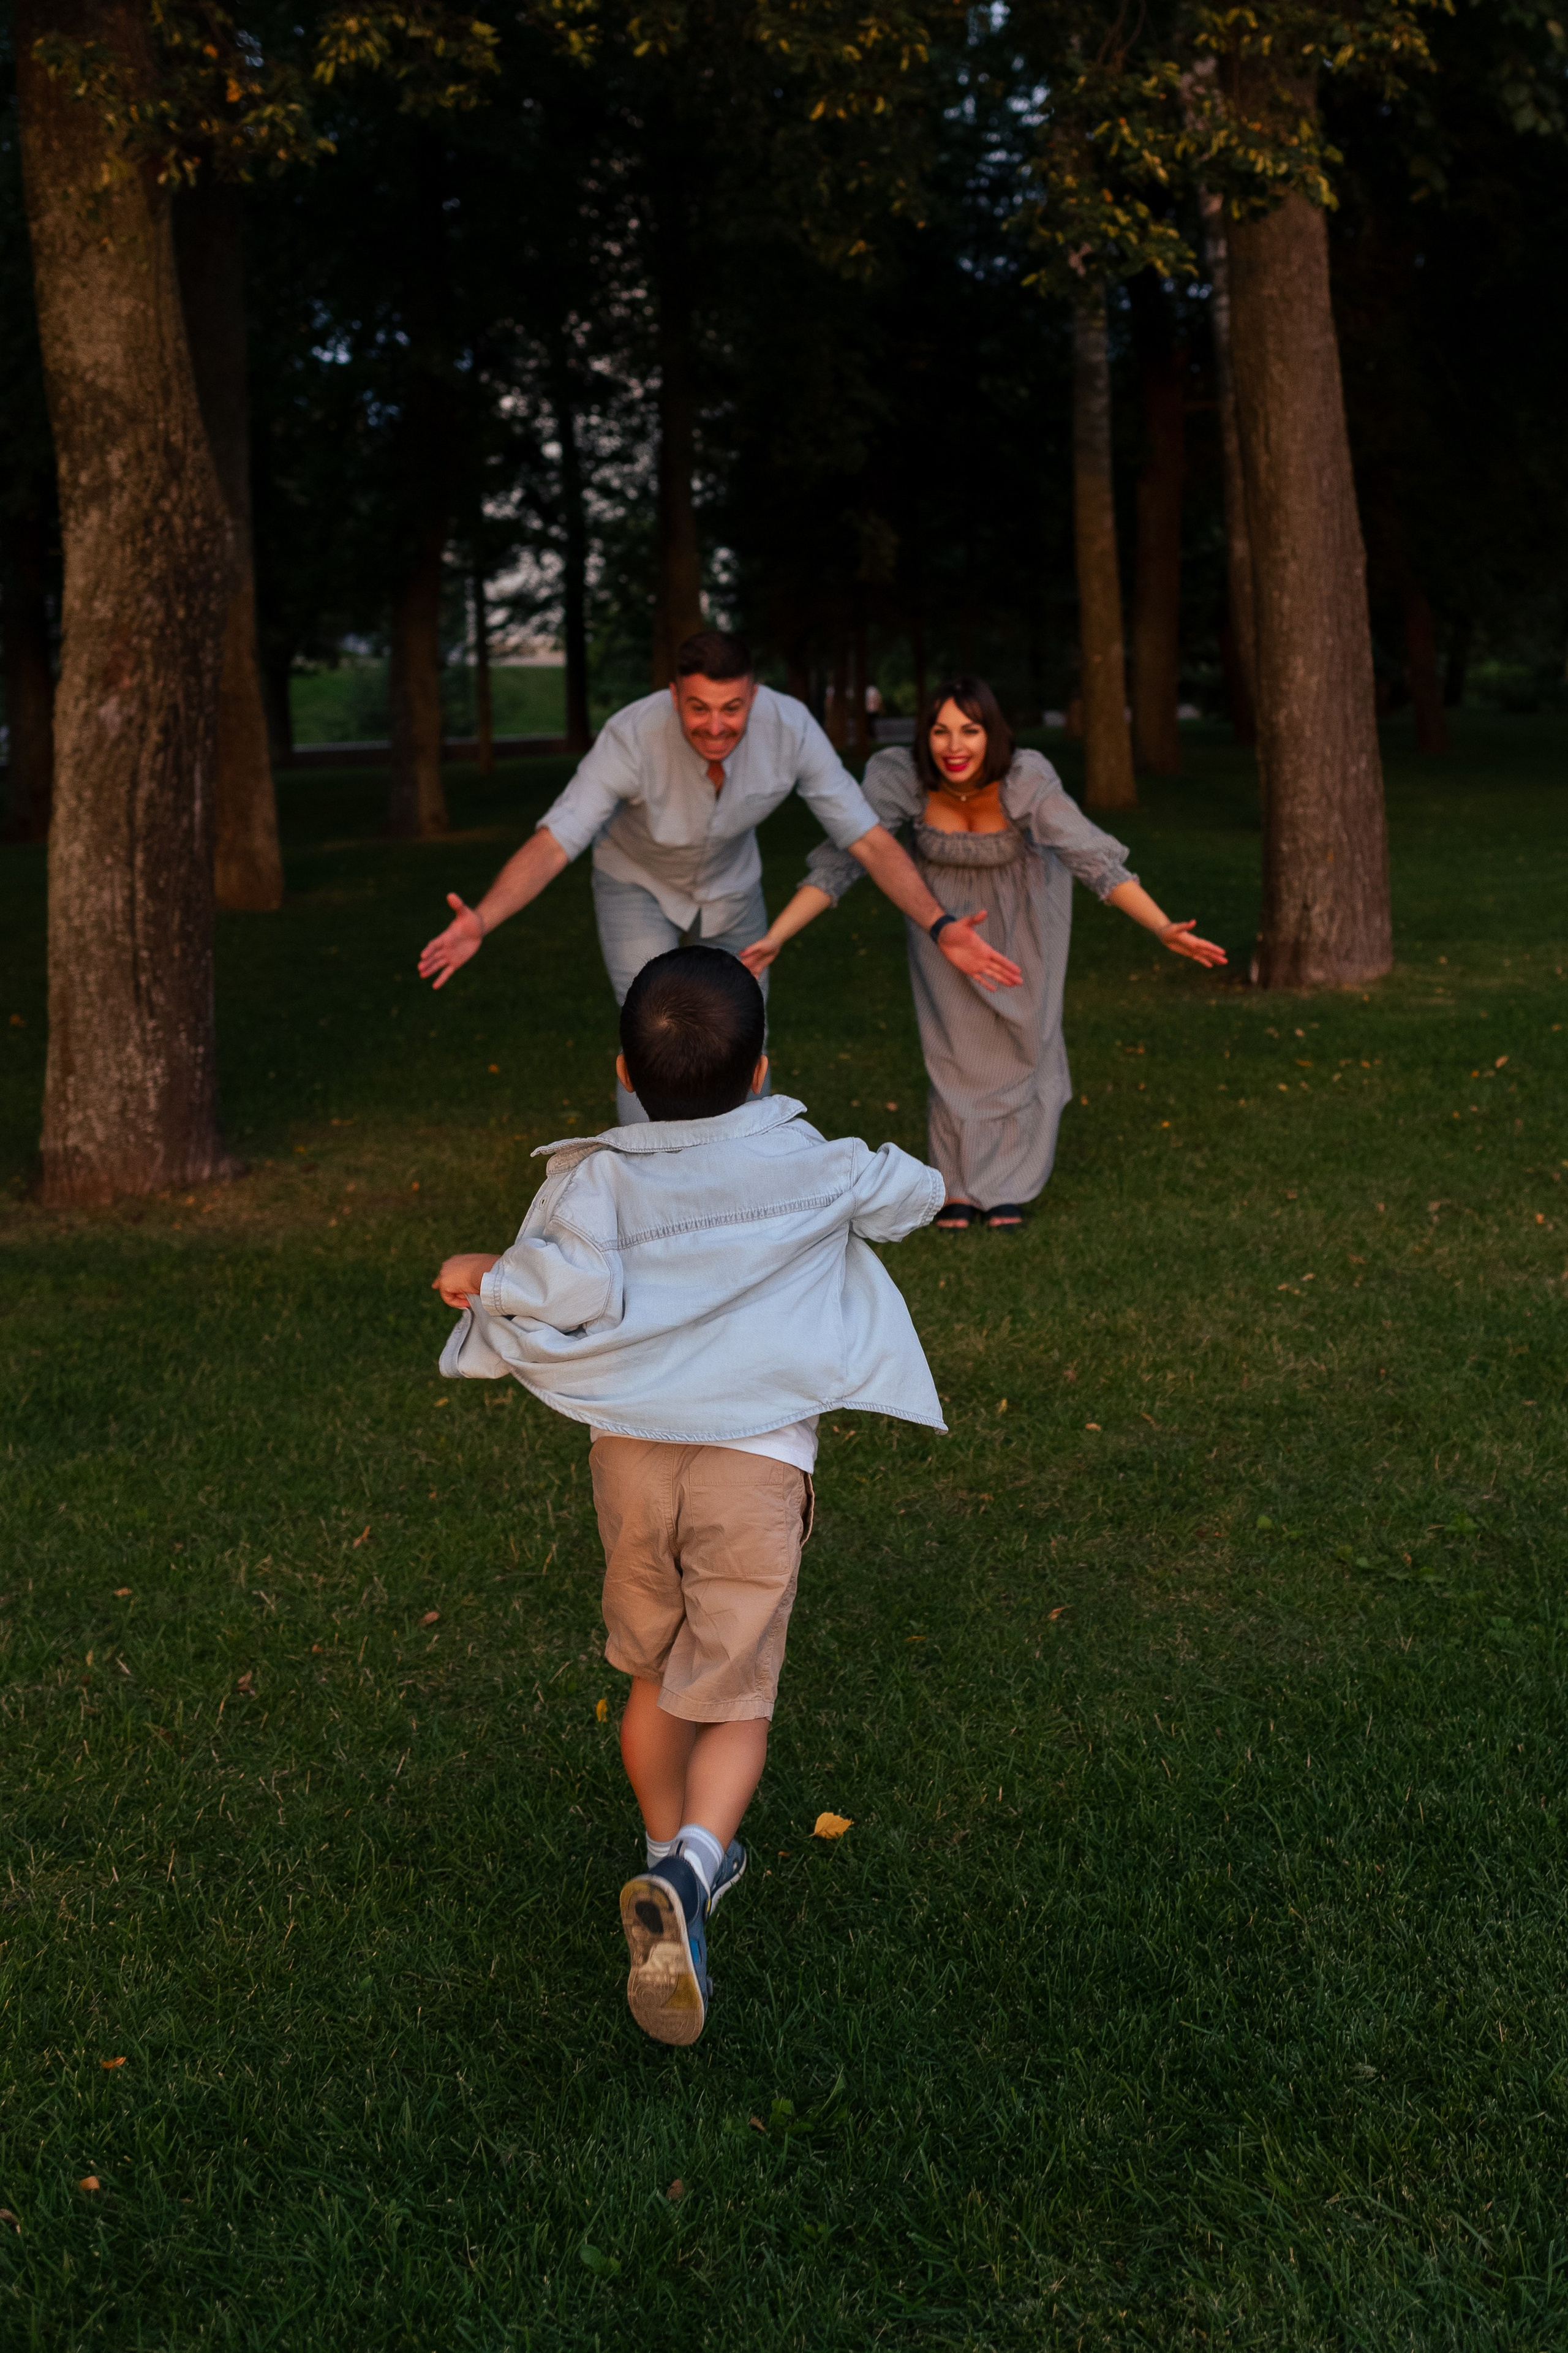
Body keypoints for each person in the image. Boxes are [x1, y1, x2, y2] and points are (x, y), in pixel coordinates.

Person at [432, 945, 945, 2045]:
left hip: (631, 1462)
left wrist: (484, 1272)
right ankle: (695, 1871)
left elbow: (558, 1281)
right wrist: (876, 1174)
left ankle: (661, 1849)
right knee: (736, 1696)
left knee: (656, 1673)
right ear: (762, 1070)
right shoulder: (809, 1160)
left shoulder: (595, 1180)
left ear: (626, 1072)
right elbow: (914, 1193)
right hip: (753, 1467)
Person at [416, 630, 1020, 1123]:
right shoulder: (630, 735)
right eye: (698, 708)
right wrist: (483, 919)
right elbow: (557, 841)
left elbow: (867, 838)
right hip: (635, 883)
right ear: (674, 695)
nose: (715, 725)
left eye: (732, 708)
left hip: (733, 888)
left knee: (744, 1032)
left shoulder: (791, 729)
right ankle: (651, 1194)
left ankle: (748, 1187)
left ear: (752, 696)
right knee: (649, 1036)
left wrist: (941, 924)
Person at [741, 675, 1227, 1231]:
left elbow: (1092, 857)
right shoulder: (901, 780)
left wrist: (1161, 925)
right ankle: (958, 1186)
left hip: (1026, 920)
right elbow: (846, 859)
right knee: (953, 1049)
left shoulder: (1025, 780)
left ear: (992, 733)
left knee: (1025, 1046)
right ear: (924, 736)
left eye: (969, 730)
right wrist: (778, 936)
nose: (954, 746)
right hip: (945, 927)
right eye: (940, 731)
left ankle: (1006, 1187)